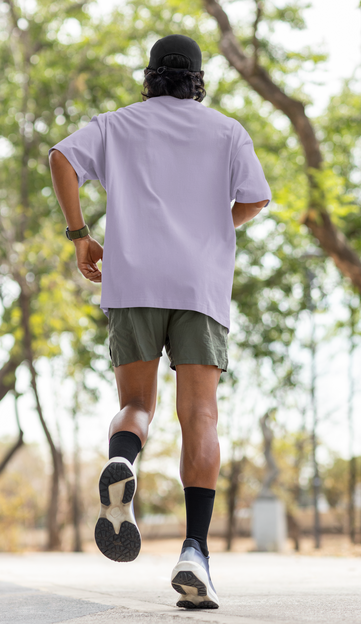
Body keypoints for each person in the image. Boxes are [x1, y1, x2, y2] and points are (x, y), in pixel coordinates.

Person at [49, 34, 271, 610]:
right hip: (200, 286)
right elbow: (254, 200)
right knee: (199, 413)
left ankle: (124, 457)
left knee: (137, 406)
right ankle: (194, 551)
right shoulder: (227, 131)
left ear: (149, 75)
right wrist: (215, 224)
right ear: (198, 79)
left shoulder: (115, 123)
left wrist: (80, 237)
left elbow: (61, 159)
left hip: (132, 280)